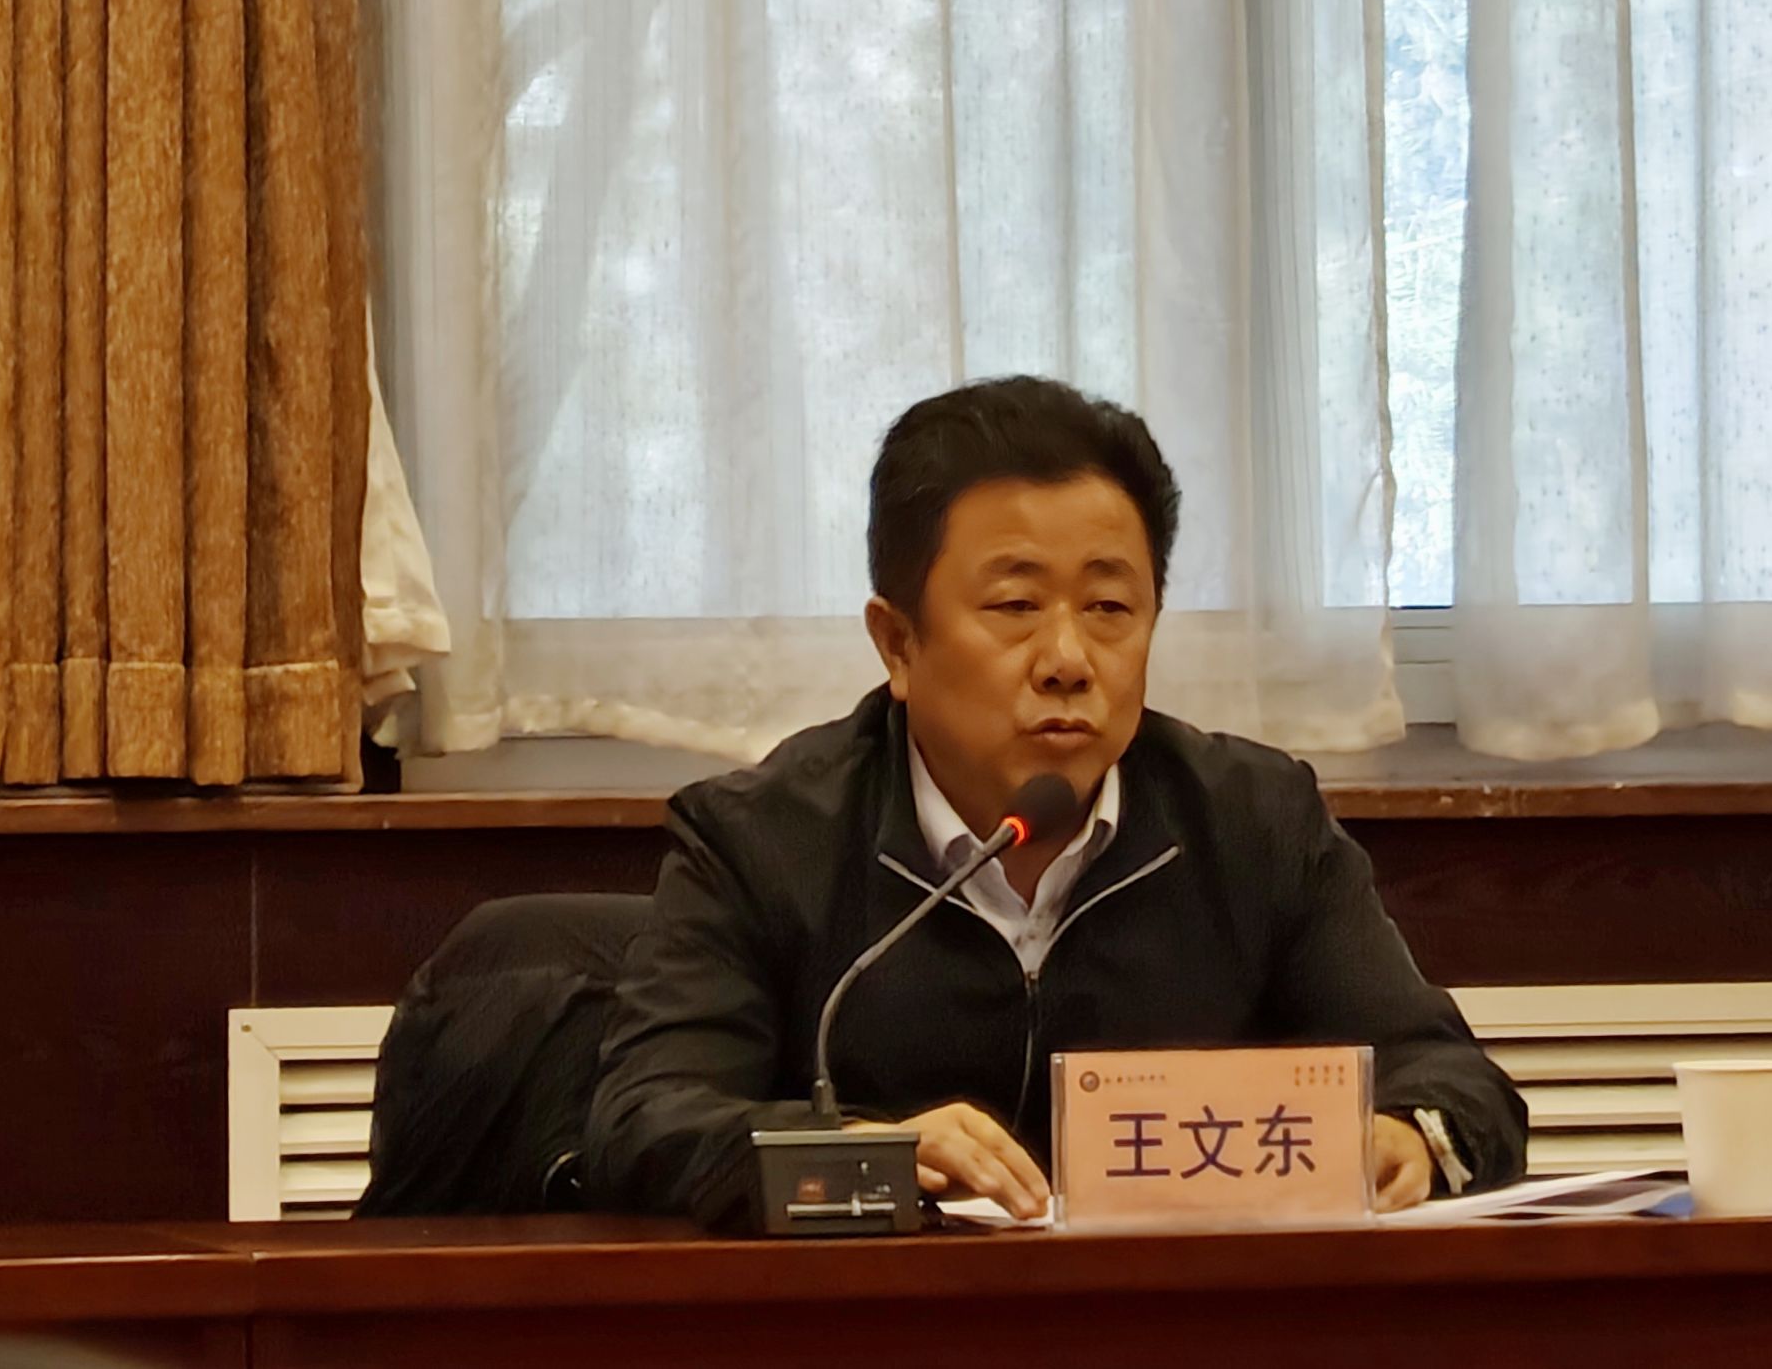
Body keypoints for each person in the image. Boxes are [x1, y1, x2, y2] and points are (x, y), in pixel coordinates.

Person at [585, 377, 1526, 1223]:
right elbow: (645, 1120)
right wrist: (868, 1152)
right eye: (1015, 607)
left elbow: (1455, 1083)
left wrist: (1409, 1135)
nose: (1069, 661)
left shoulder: (1253, 821)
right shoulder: (764, 837)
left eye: (1110, 609)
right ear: (898, 644)